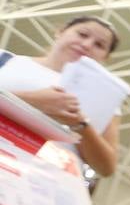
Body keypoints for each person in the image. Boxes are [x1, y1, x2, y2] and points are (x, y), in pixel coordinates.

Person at [0, 16, 122, 177]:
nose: (86, 45)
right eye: (82, 34)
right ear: (60, 32)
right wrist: (31, 100)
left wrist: (80, 124)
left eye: (99, 45)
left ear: (104, 58)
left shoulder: (104, 100)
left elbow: (106, 168)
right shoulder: (6, 60)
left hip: (38, 186)